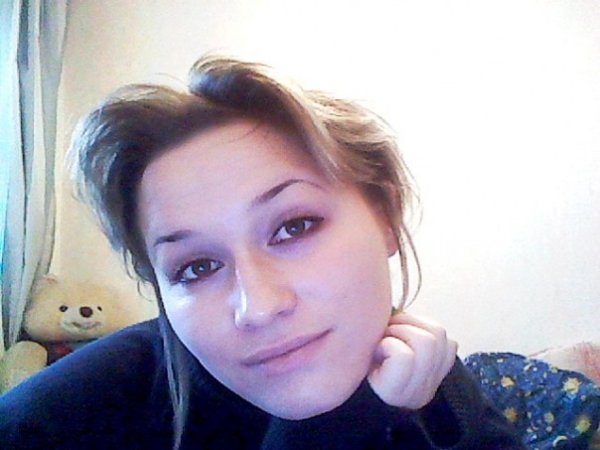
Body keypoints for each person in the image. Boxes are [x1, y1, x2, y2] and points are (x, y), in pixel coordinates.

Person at [0, 56, 524, 449]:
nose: (260, 307)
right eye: (197, 267)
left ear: (385, 217)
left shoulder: (420, 365)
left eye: (294, 227)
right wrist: (344, 424)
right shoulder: (50, 425)